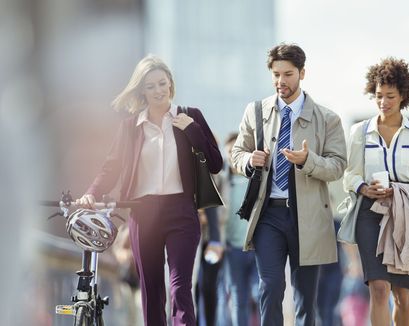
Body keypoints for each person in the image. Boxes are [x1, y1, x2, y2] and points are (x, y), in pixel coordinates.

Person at [76, 54, 223, 326]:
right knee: (151, 291)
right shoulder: (130, 128)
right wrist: (91, 194)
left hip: (182, 211)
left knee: (179, 287)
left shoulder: (190, 117)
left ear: (171, 84)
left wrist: (193, 132)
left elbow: (216, 164)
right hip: (143, 214)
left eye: (162, 83)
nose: (158, 90)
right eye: (150, 86)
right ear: (141, 91)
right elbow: (111, 168)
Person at [230, 43, 347, 326]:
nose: (281, 81)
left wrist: (308, 161)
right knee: (269, 287)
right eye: (276, 74)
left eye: (288, 74)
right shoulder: (255, 111)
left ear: (302, 73)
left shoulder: (327, 119)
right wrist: (249, 160)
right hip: (267, 213)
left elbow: (338, 166)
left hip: (308, 217)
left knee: (306, 296)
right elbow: (235, 154)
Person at [343, 57, 409, 326]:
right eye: (378, 95)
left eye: (390, 96)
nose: (383, 102)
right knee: (379, 288)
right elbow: (350, 174)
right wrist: (364, 187)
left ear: (403, 96)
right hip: (369, 213)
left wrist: (405, 191)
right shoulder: (359, 132)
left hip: (406, 215)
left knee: (404, 296)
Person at [220, 132, 259, 326]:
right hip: (232, 249)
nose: (232, 155)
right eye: (228, 152)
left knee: (260, 293)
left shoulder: (258, 179)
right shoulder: (222, 181)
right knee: (238, 297)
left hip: (256, 247)